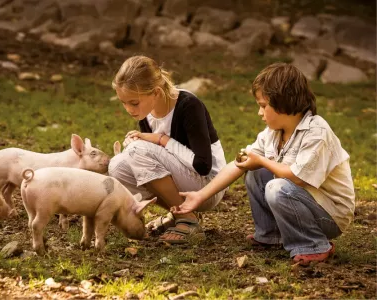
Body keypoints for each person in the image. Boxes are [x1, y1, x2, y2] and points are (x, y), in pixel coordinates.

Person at [171, 62, 355, 265]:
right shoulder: (273, 134)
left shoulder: (317, 132)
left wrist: (262, 161)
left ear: (282, 102)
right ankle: (271, 235)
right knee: (255, 172)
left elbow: (297, 178)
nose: (259, 113)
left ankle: (313, 245)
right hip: (305, 203)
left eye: (263, 106)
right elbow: (238, 164)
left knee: (278, 187)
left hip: (330, 215)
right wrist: (200, 195)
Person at [108, 55, 227, 244]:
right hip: (184, 183)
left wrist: (160, 140)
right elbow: (152, 160)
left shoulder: (188, 105)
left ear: (155, 92)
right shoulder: (145, 113)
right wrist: (139, 144)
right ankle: (179, 213)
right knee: (117, 166)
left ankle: (187, 218)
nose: (129, 109)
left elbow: (202, 165)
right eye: (124, 102)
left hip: (208, 187)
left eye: (134, 103)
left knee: (136, 151)